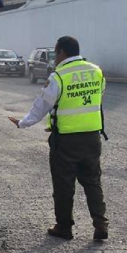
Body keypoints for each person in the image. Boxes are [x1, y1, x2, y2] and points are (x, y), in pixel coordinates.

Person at [8, 36, 109, 241]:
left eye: (56, 53)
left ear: (62, 52)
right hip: (92, 137)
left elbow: (42, 105)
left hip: (66, 141)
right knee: (92, 182)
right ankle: (101, 225)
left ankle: (64, 227)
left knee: (64, 186)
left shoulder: (59, 77)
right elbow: (98, 95)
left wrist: (23, 122)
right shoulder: (96, 71)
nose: (55, 58)